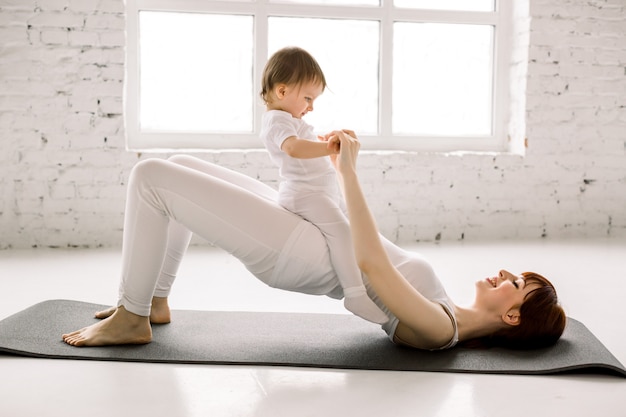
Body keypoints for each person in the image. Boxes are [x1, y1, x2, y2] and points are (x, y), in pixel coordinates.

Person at [62, 130, 566, 350]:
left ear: (513, 316)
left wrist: (346, 172)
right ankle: (154, 301)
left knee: (151, 177)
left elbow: (369, 263)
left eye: (516, 283)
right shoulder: (446, 308)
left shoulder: (439, 330)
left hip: (296, 254)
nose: (504, 274)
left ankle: (132, 318)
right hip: (311, 233)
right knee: (178, 168)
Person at [258, 46, 386, 324]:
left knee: (351, 229)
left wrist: (327, 141)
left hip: (317, 192)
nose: (311, 106)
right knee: (340, 231)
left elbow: (304, 143)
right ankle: (354, 294)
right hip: (304, 195)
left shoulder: (288, 119)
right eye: (307, 98)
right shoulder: (276, 122)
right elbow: (293, 148)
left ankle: (354, 277)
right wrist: (329, 147)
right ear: (282, 92)